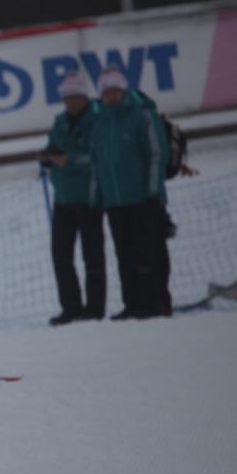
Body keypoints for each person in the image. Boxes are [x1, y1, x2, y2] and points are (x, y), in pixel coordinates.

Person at [88, 68, 169, 319]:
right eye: (106, 92)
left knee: (150, 252)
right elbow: (96, 163)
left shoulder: (142, 115)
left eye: (115, 91)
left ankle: (156, 302)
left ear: (123, 91)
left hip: (143, 198)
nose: (111, 96)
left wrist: (153, 192)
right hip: (115, 201)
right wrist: (96, 199)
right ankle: (132, 302)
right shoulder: (100, 124)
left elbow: (157, 154)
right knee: (125, 254)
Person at [39, 72, 106, 325]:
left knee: (93, 254)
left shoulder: (97, 119)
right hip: (64, 198)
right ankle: (71, 307)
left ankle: (95, 308)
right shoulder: (60, 122)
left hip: (90, 198)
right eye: (66, 98)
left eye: (75, 97)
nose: (70, 102)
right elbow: (53, 148)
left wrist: (68, 160)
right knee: (61, 255)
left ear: (84, 96)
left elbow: (98, 155)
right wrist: (47, 157)